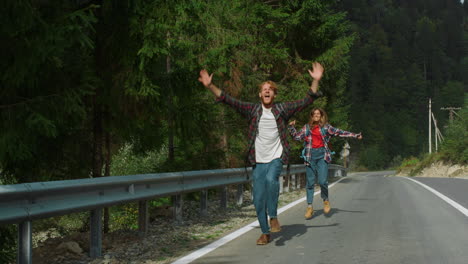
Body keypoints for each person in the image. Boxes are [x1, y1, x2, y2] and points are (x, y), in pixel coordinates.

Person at [198, 62, 324, 245]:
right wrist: (210, 86)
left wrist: (315, 80)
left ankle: (273, 217)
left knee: (272, 180)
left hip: (276, 156)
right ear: (260, 94)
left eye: (270, 90)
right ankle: (265, 232)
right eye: (264, 89)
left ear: (274, 94)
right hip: (257, 160)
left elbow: (307, 100)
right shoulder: (253, 110)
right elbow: (228, 100)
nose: (267, 91)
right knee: (257, 199)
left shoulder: (282, 109)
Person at [288, 108, 362, 219]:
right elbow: (297, 137)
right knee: (310, 183)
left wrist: (355, 135)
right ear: (312, 116)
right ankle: (309, 207)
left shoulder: (326, 127)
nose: (317, 115)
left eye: (319, 114)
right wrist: (291, 127)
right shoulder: (307, 127)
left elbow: (340, 132)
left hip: (322, 155)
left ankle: (326, 200)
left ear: (322, 116)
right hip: (310, 156)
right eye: (314, 114)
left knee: (322, 181)